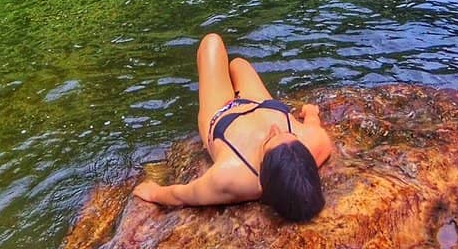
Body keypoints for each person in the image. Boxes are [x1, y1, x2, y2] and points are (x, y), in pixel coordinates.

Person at [132, 33, 333, 222]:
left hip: (221, 114)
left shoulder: (230, 178)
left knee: (212, 42)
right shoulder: (316, 143)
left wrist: (154, 193)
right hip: (261, 103)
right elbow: (313, 123)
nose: (275, 129)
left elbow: (182, 196)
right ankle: (236, 75)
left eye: (270, 140)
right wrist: (311, 112)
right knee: (238, 64)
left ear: (263, 172)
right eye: (289, 134)